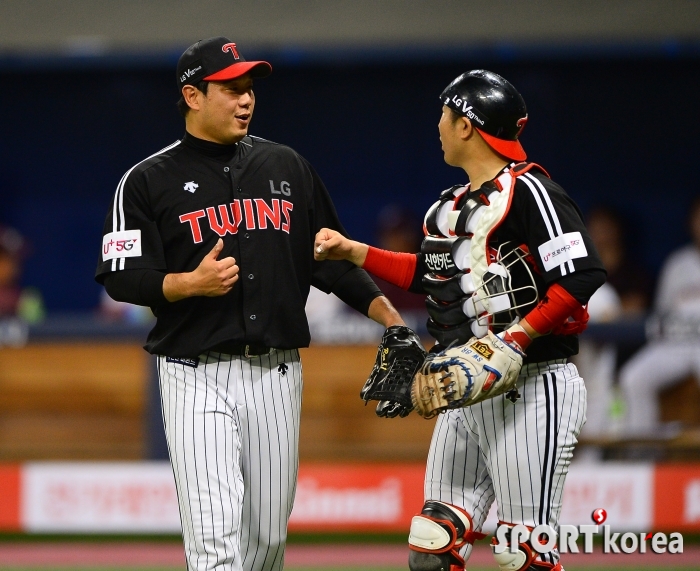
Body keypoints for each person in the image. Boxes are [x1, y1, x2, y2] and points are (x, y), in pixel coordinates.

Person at [94, 36, 404, 571]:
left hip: (276, 375)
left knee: (265, 539)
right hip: (195, 373)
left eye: (250, 88)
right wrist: (186, 284)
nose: (246, 99)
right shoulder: (146, 180)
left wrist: (391, 319)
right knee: (215, 538)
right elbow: (122, 275)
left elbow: (329, 258)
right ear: (193, 96)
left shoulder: (286, 166)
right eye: (231, 88)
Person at [315, 70, 606, 571]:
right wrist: (354, 251)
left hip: (532, 387)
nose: (438, 125)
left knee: (523, 552)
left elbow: (583, 274)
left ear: (467, 124)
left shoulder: (532, 190)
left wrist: (516, 338)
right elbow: (430, 274)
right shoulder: (449, 207)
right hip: (464, 388)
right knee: (433, 544)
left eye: (445, 116)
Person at [619, 197, 700, 435]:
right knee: (633, 378)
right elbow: (660, 314)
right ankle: (642, 450)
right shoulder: (677, 264)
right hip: (676, 344)